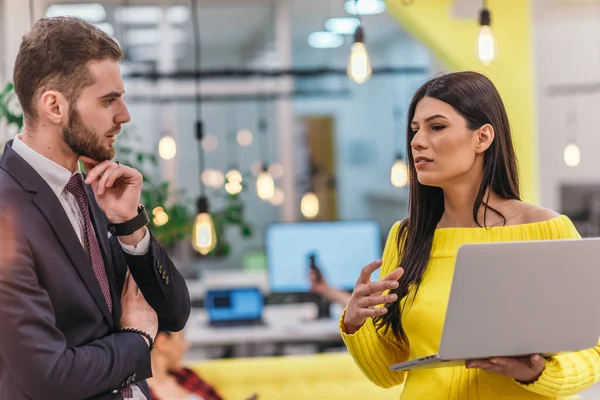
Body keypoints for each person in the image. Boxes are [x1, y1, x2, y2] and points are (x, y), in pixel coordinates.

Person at [340, 71, 600, 399]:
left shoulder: (549, 230)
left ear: (483, 137)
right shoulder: (407, 238)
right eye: (415, 130)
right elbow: (386, 372)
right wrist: (354, 323)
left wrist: (537, 372)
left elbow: (594, 352)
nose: (417, 142)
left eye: (437, 127)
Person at [0, 17, 191, 400]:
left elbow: (172, 314)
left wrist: (131, 225)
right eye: (108, 100)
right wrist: (136, 340)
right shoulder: (6, 212)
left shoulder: (93, 191)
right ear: (54, 105)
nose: (124, 115)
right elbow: (48, 376)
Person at [148, 331, 258, 400]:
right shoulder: (139, 394)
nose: (186, 345)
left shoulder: (186, 376)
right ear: (163, 343)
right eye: (181, 337)